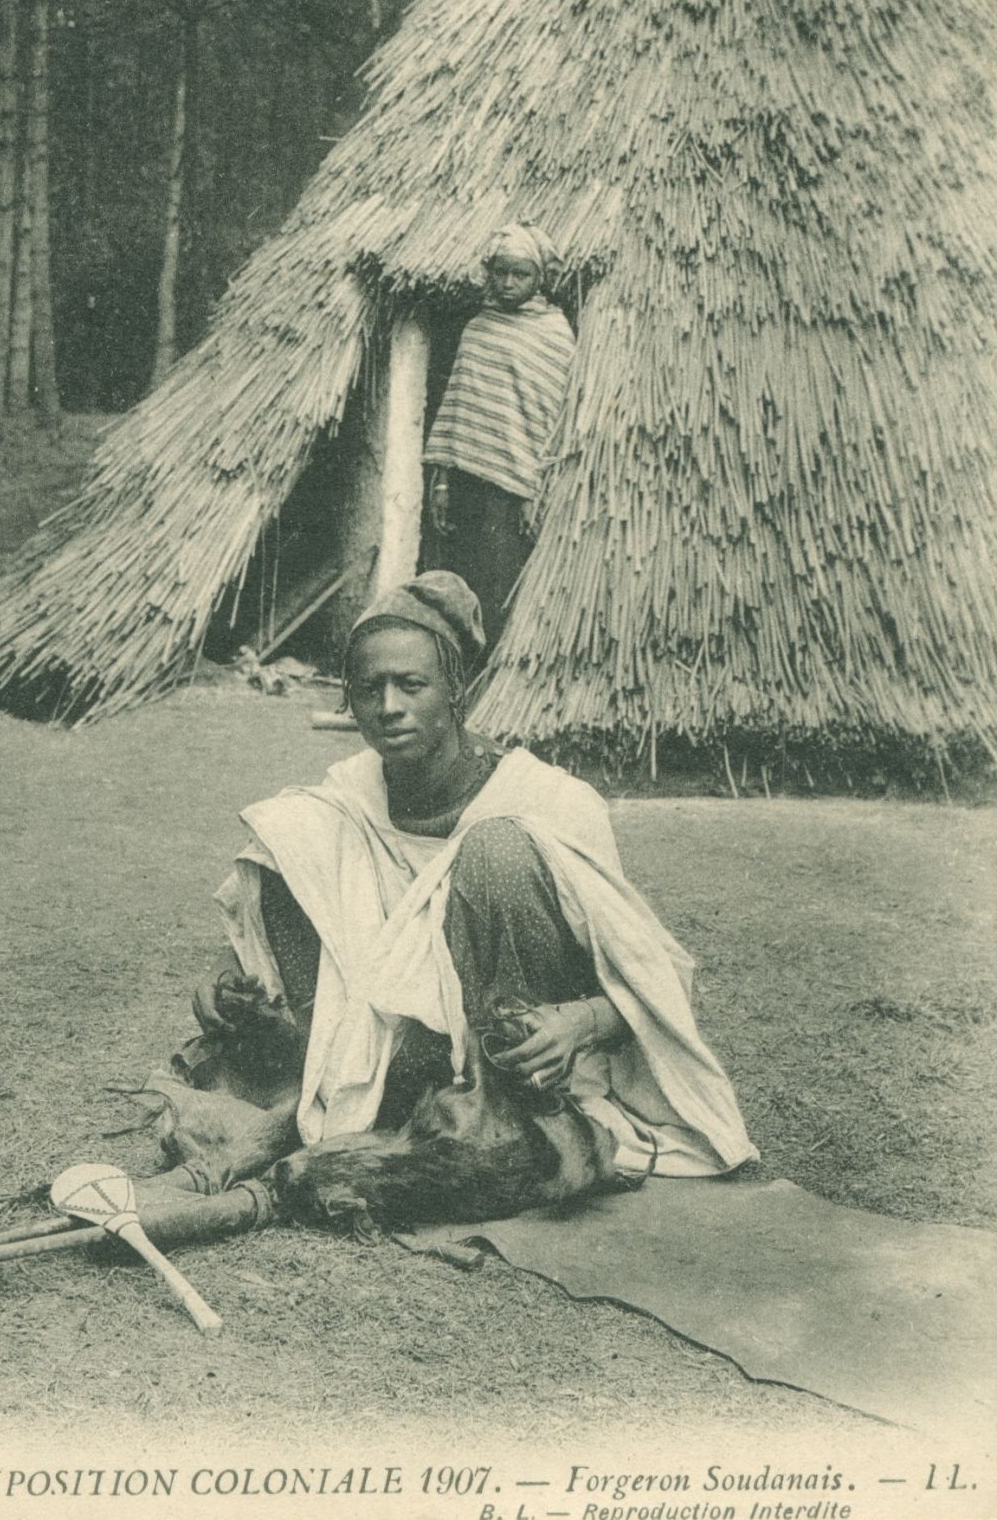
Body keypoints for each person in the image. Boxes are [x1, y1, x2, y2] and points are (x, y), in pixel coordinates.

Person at [196, 572, 757, 1183]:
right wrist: (233, 976)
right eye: (369, 689)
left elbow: (648, 976)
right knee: (293, 825)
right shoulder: (348, 796)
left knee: (497, 850)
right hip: (389, 1055)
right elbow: (285, 913)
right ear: (348, 701)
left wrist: (578, 1023)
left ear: (456, 689)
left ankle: (506, 1115)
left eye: (412, 685)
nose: (389, 707)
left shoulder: (550, 802)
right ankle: (347, 1086)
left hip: (522, 1059)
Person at [423, 223, 577, 649]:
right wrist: (442, 483)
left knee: (501, 586)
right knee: (460, 581)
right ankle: (463, 665)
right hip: (466, 481)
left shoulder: (554, 335)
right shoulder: (477, 329)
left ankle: (495, 670)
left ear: (539, 279)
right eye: (501, 272)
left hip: (512, 491)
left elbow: (552, 420)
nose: (509, 283)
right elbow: (458, 408)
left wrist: (533, 491)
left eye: (520, 274)